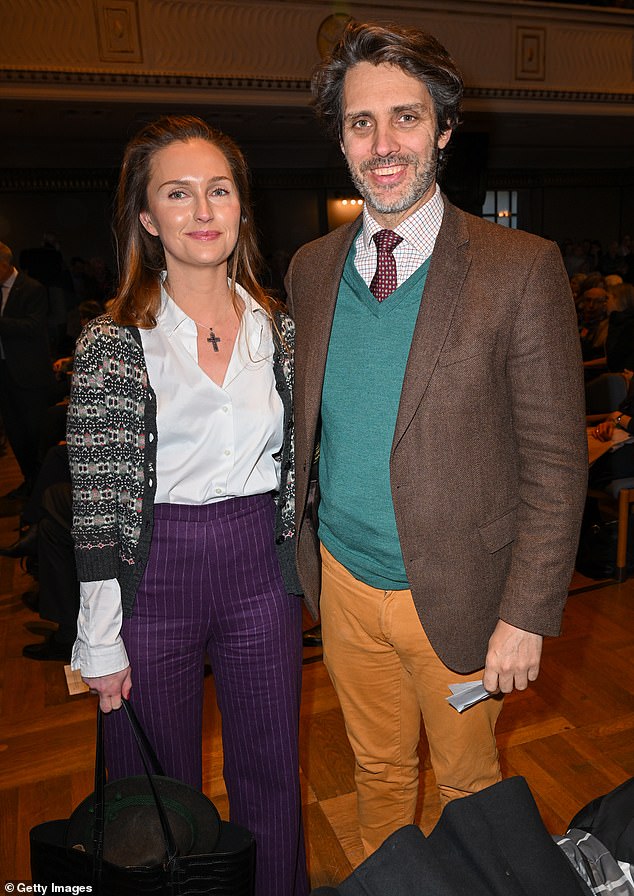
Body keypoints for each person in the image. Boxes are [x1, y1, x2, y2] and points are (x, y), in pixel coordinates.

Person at [285, 22, 587, 858]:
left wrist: (526, 614)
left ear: (444, 131)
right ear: (342, 140)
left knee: (467, 787)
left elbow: (558, 462)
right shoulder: (310, 269)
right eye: (360, 123)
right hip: (343, 585)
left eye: (406, 118)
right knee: (375, 770)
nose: (383, 144)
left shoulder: (519, 267)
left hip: (460, 593)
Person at [66, 115, 308, 896]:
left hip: (258, 565)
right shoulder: (114, 339)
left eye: (219, 190)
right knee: (155, 784)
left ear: (240, 207)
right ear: (147, 217)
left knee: (270, 768)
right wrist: (98, 640)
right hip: (153, 568)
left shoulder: (282, 328)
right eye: (178, 193)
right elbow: (99, 503)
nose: (202, 210)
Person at [0, 241, 56, 498]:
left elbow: (32, 327)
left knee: (35, 435)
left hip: (29, 376)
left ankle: (41, 488)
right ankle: (28, 481)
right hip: (4, 374)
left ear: (4, 264)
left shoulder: (32, 288)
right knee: (15, 434)